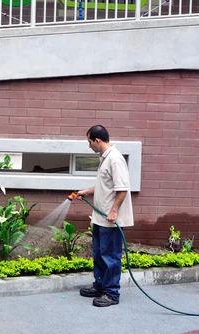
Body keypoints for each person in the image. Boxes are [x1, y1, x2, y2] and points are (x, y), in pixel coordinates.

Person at [76, 125, 134, 307]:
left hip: (110, 220)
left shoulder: (115, 159)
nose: (89, 146)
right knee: (99, 254)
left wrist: (114, 210)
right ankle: (100, 286)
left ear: (97, 140)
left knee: (110, 256)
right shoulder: (105, 159)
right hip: (100, 218)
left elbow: (122, 188)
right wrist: (86, 191)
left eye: (89, 142)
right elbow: (105, 186)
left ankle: (111, 294)